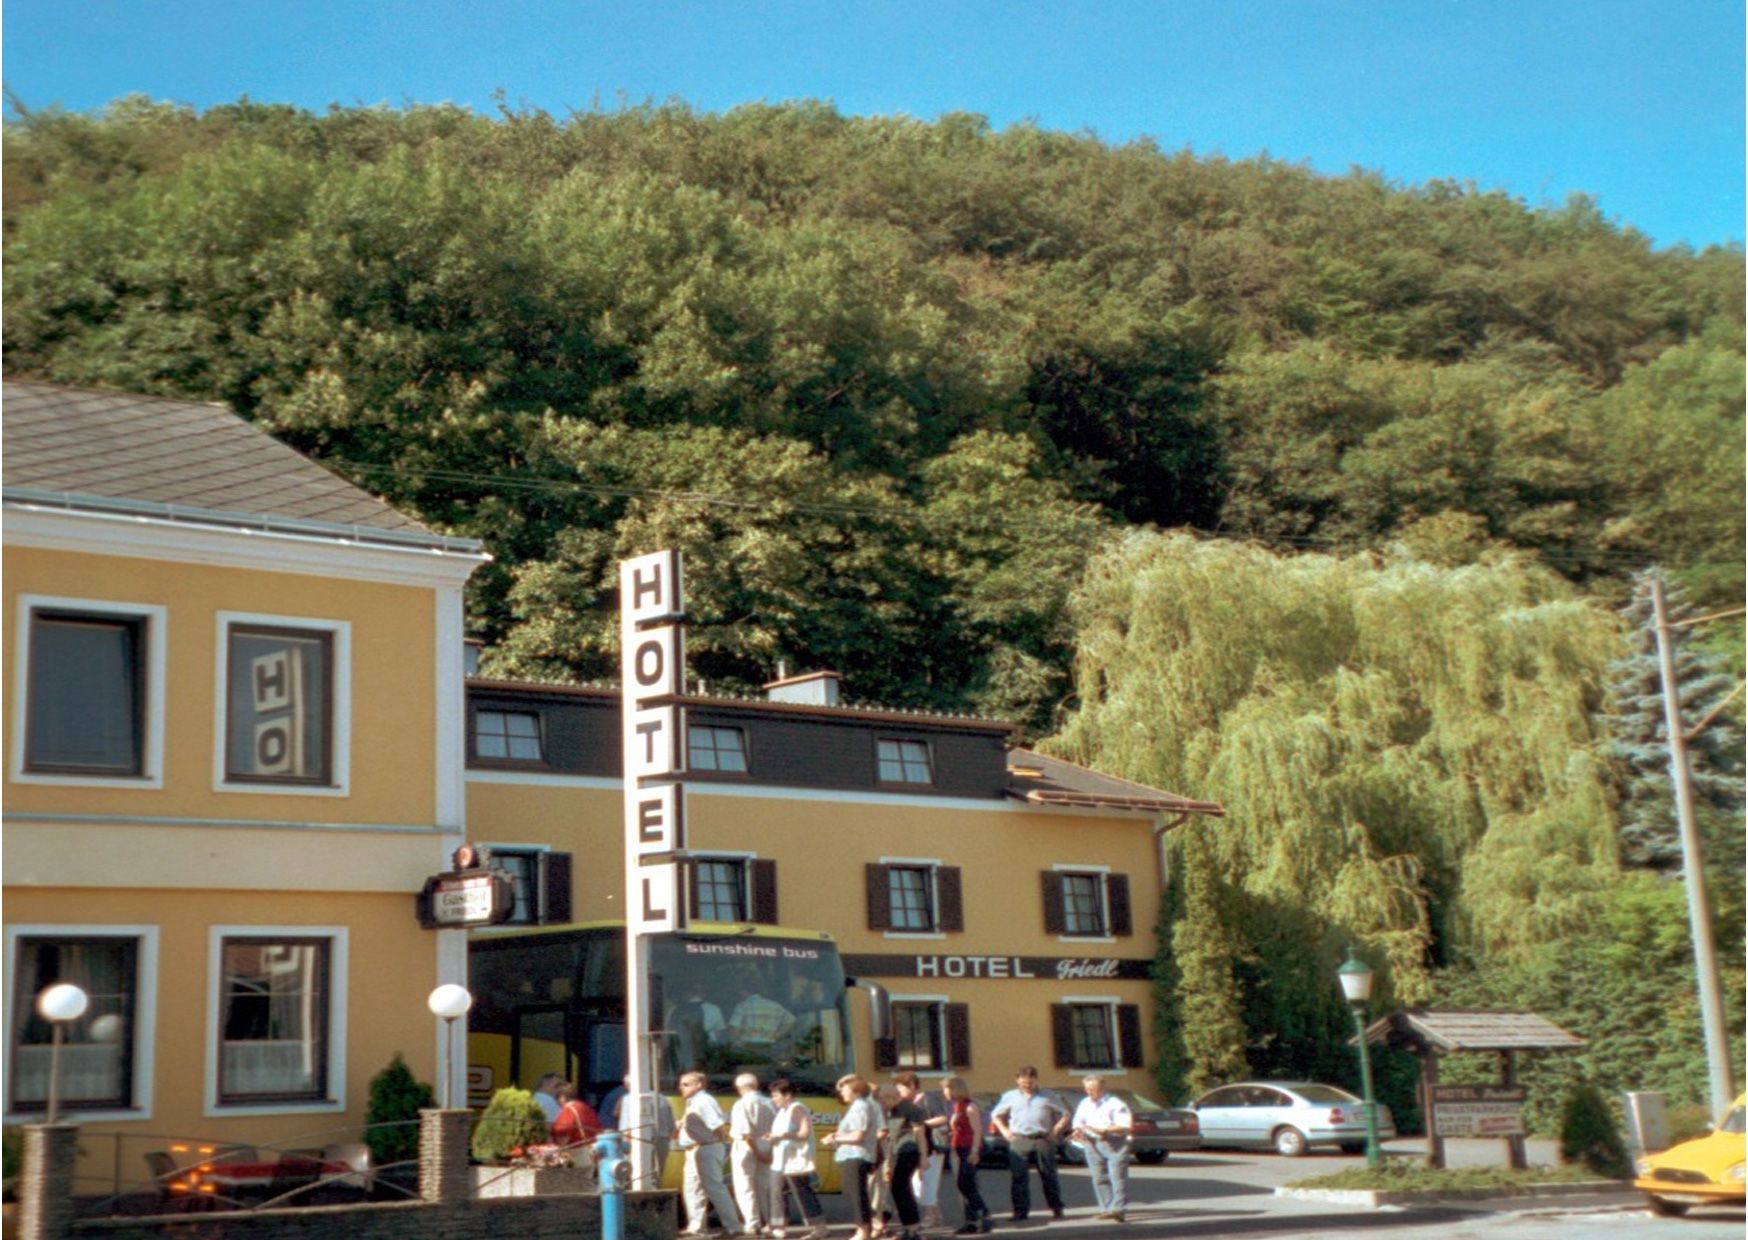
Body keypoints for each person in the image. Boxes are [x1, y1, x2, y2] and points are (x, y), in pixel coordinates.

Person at [990, 1065, 1069, 1222]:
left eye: (1030, 1083)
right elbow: (995, 1115)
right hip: (1019, 1139)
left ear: (1036, 1080)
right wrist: (1004, 1131)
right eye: (1024, 1083)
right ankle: (1020, 1211)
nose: (1027, 1086)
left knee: (1048, 1174)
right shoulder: (1010, 1096)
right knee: (1018, 1177)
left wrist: (1055, 1131)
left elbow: (1065, 1114)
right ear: (1017, 1081)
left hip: (1042, 1139)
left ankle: (1056, 1208)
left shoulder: (1048, 1095)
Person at [675, 1070, 743, 1237]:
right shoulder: (693, 1102)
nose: (681, 1087)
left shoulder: (703, 1101)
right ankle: (696, 1227)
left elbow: (717, 1126)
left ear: (699, 1085)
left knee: (714, 1188)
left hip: (707, 1147)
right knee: (692, 1189)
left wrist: (719, 1144)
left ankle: (733, 1227)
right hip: (694, 1149)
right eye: (681, 1084)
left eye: (686, 1084)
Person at [769, 1077, 829, 1240]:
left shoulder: (797, 1108)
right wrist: (774, 1137)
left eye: (776, 1095)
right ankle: (779, 1227)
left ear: (787, 1095)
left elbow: (804, 1132)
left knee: (802, 1192)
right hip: (780, 1159)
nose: (773, 1099)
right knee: (776, 1192)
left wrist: (782, 1135)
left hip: (795, 1160)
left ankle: (820, 1227)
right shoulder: (782, 1111)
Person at [822, 1074, 879, 1240]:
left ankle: (863, 1230)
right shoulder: (857, 1106)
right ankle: (868, 1224)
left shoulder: (860, 1107)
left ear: (856, 1090)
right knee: (851, 1191)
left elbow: (858, 1135)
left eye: (845, 1089)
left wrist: (835, 1138)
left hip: (857, 1155)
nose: (841, 1093)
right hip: (851, 1155)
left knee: (856, 1194)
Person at [1070, 1075, 1133, 1223]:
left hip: (1114, 1142)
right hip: (1091, 1142)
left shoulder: (1115, 1103)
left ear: (1103, 1088)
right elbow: (1078, 1121)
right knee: (1098, 1177)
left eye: (1093, 1089)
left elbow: (1125, 1125)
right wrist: (1077, 1130)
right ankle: (1106, 1208)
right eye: (1087, 1089)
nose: (1089, 1092)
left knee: (1117, 1176)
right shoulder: (1085, 1103)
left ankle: (1118, 1210)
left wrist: (1105, 1130)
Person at [730, 1072, 782, 1237]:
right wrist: (768, 1152)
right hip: (768, 1143)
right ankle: (770, 1221)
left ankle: (752, 1223)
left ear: (739, 1088)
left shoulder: (741, 1104)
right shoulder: (770, 1103)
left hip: (747, 1147)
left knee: (745, 1185)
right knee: (764, 1186)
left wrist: (757, 1153)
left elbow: (746, 1134)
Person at [942, 1076, 992, 1235]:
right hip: (957, 1147)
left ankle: (984, 1214)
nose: (944, 1092)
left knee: (967, 1183)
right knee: (962, 1184)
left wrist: (974, 1151)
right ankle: (971, 1220)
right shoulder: (957, 1106)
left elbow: (977, 1130)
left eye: (946, 1089)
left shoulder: (970, 1106)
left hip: (968, 1148)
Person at [884, 1076, 932, 1240]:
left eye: (884, 1100)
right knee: (898, 1189)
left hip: (909, 1152)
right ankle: (909, 1227)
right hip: (897, 1151)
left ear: (892, 1097)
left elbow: (920, 1134)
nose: (882, 1104)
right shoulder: (892, 1110)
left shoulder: (911, 1109)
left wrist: (923, 1156)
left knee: (901, 1188)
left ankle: (912, 1229)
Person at [903, 1070, 952, 1229]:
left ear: (912, 1086)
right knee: (918, 1181)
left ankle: (930, 1216)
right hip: (917, 1145)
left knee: (928, 1181)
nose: (900, 1092)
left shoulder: (926, 1098)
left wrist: (920, 1125)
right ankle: (936, 1215)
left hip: (933, 1145)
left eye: (902, 1088)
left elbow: (943, 1118)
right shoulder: (906, 1103)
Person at [728, 979, 796, 1045]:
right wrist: (777, 1035)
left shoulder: (742, 1006)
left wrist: (738, 1043)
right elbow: (792, 1020)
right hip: (769, 1046)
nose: (739, 993)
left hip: (748, 1048)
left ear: (744, 991)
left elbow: (734, 1028)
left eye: (740, 991)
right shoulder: (775, 1006)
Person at [551, 1080, 603, 1148]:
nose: (556, 1102)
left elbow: (562, 1137)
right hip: (594, 1149)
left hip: (578, 1151)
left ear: (562, 1097)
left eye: (556, 1097)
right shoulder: (585, 1107)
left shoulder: (568, 1111)